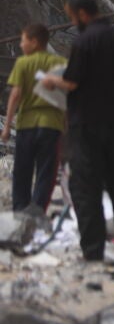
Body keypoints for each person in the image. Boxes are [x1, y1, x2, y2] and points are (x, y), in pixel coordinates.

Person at [39, 0, 114, 267]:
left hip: (87, 125)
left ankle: (93, 254)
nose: (74, 22)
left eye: (73, 17)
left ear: (82, 14)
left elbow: (72, 82)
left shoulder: (84, 42)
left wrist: (51, 81)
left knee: (86, 188)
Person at [3, 23, 66, 213]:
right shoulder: (60, 63)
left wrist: (7, 126)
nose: (21, 45)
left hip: (26, 124)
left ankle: (20, 209)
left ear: (35, 42)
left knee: (22, 169)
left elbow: (15, 95)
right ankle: (37, 210)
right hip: (51, 125)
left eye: (23, 41)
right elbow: (68, 97)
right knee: (46, 171)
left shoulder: (23, 63)